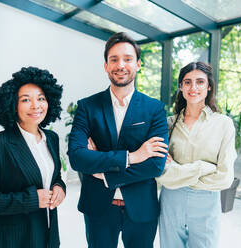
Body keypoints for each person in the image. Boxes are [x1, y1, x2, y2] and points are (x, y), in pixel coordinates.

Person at [67, 32, 168, 248]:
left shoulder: (155, 109)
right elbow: (76, 157)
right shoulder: (87, 107)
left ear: (138, 64)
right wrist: (133, 157)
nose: (120, 65)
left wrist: (103, 172)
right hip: (98, 207)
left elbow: (155, 165)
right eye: (114, 59)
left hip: (142, 209)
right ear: (106, 66)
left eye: (127, 59)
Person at [0, 67, 66, 248]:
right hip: (13, 241)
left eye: (41, 98)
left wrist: (60, 187)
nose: (36, 105)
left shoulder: (51, 138)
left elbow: (54, 176)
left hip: (48, 238)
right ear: (13, 104)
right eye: (26, 100)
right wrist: (31, 199)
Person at [156, 62, 237, 248]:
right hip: (171, 200)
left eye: (200, 82)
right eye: (187, 82)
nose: (193, 88)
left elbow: (224, 178)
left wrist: (177, 172)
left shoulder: (223, 125)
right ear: (181, 87)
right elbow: (160, 171)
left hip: (206, 201)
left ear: (209, 86)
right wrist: (203, 168)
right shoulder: (167, 124)